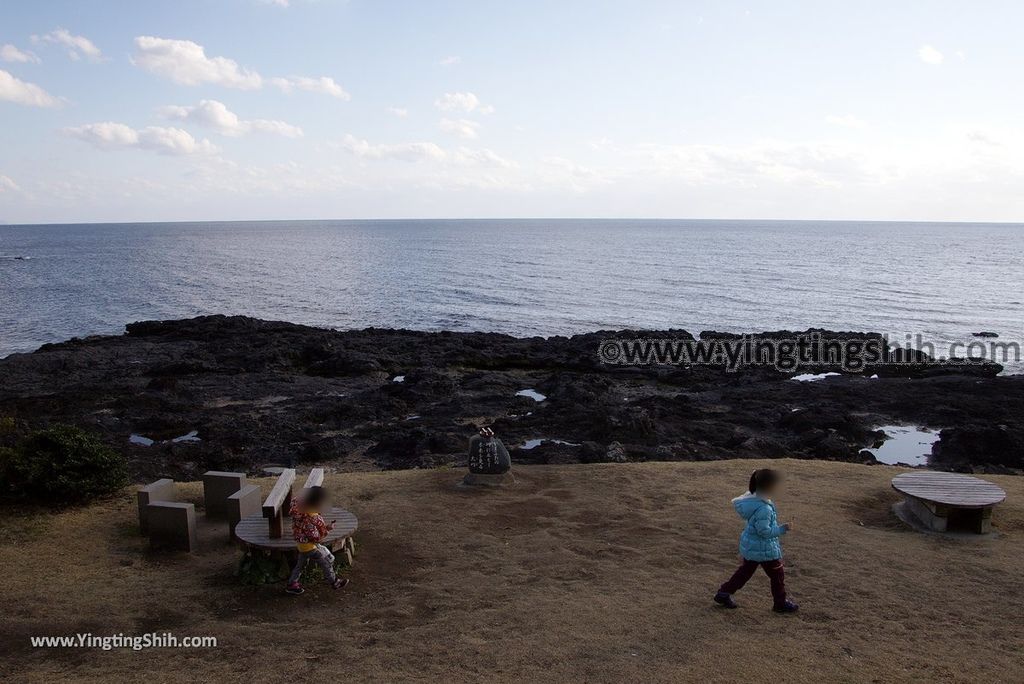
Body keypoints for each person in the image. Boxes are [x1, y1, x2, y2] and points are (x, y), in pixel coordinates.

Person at [713, 469, 799, 613]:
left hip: (753, 547)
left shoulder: (753, 499)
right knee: (777, 575)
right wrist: (782, 529)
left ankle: (723, 593)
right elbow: (764, 532)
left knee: (744, 573)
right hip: (764, 549)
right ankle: (780, 603)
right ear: (768, 486)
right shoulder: (764, 507)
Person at [285, 485, 349, 596]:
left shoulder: (299, 508)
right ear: (318, 502)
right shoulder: (312, 517)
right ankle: (334, 582)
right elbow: (315, 537)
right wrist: (327, 529)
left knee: (300, 565)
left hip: (301, 545)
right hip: (310, 547)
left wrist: (324, 528)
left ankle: (292, 584)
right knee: (325, 562)